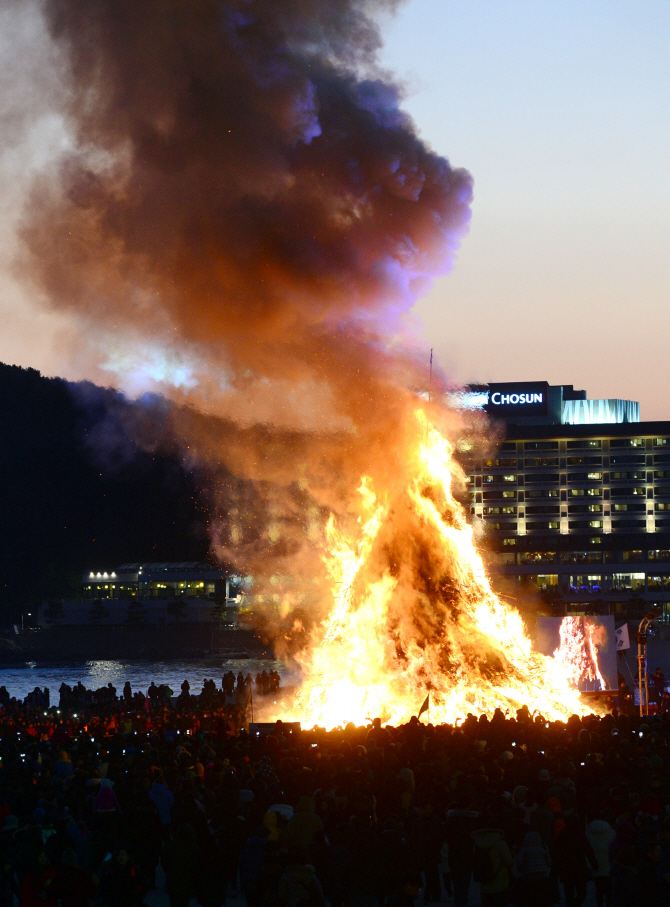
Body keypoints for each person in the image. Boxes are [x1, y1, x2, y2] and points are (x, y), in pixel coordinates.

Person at [471, 826, 513, 907]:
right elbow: (510, 862)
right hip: (500, 882)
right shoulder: (500, 843)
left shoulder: (477, 843)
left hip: (484, 882)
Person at [513, 831, 552, 907]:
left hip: (527, 875)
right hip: (542, 875)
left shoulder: (524, 850)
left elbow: (519, 863)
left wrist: (521, 870)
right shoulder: (543, 849)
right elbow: (549, 862)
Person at [586, 815, 616, 907]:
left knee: (598, 889)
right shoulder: (612, 833)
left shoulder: (588, 833)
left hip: (596, 865)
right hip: (608, 864)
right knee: (609, 890)